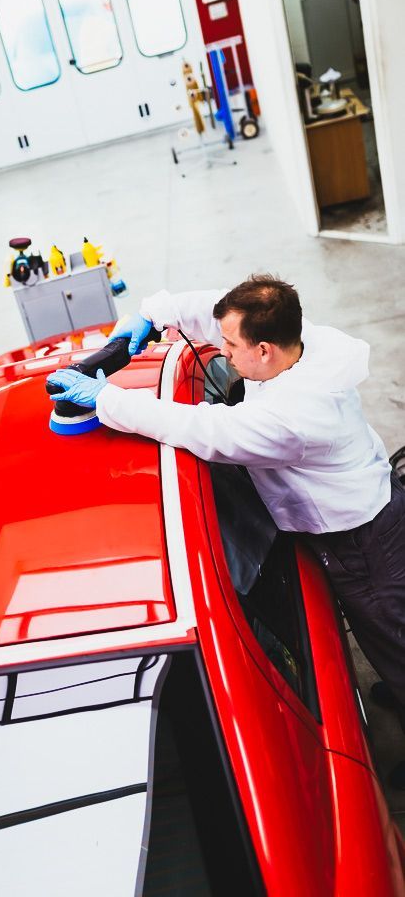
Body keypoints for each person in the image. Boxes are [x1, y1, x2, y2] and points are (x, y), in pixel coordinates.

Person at [47, 274, 405, 787]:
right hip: (371, 511)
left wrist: (105, 399)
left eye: (232, 347)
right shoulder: (295, 342)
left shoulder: (293, 418)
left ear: (263, 349)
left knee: (392, 629)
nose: (223, 350)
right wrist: (157, 313)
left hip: (361, 540)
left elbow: (201, 430)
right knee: (386, 632)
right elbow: (217, 315)